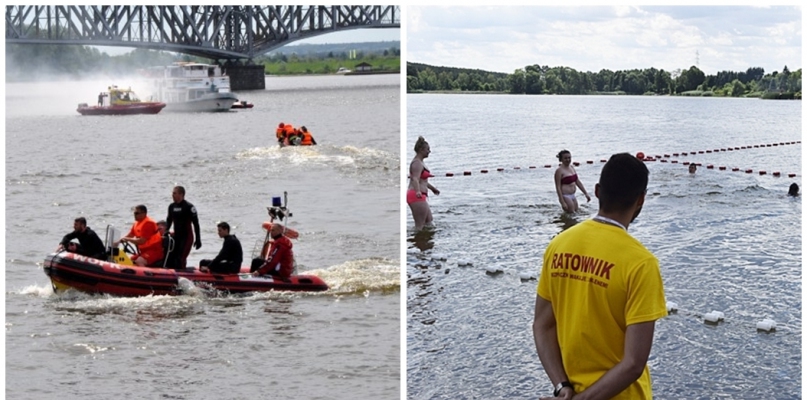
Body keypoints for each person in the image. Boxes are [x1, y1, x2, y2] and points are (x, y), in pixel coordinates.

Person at [533, 153, 667, 400]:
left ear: (596, 191)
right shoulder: (641, 263)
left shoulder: (559, 245)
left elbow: (542, 325)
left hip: (571, 390)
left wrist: (562, 386)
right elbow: (634, 363)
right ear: (641, 199)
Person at [407, 136, 440, 231]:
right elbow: (415, 179)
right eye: (427, 149)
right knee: (420, 226)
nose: (429, 151)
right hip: (416, 195)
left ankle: (425, 243)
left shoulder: (421, 162)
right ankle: (416, 242)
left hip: (421, 195)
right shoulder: (416, 163)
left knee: (429, 223)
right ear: (421, 150)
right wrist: (418, 191)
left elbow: (423, 181)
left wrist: (433, 189)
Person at [166, 186, 201, 269]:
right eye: (172, 193)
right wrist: (166, 230)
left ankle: (183, 277)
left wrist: (198, 239)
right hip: (176, 236)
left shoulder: (189, 207)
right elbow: (169, 220)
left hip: (187, 237)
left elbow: (196, 224)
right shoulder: (171, 206)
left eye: (174, 193)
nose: (172, 195)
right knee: (172, 258)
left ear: (181, 194)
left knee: (180, 258)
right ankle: (172, 277)